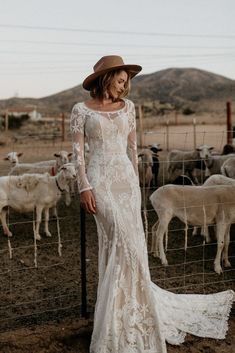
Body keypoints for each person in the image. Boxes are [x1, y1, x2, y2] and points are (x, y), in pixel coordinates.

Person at [70, 55, 234, 353]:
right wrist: (84, 186)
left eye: (126, 81)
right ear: (105, 79)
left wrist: (137, 185)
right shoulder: (80, 111)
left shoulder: (128, 108)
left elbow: (133, 149)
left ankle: (132, 306)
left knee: (131, 241)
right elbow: (78, 153)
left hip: (126, 183)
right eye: (120, 81)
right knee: (118, 241)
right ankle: (115, 315)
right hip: (99, 182)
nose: (124, 86)